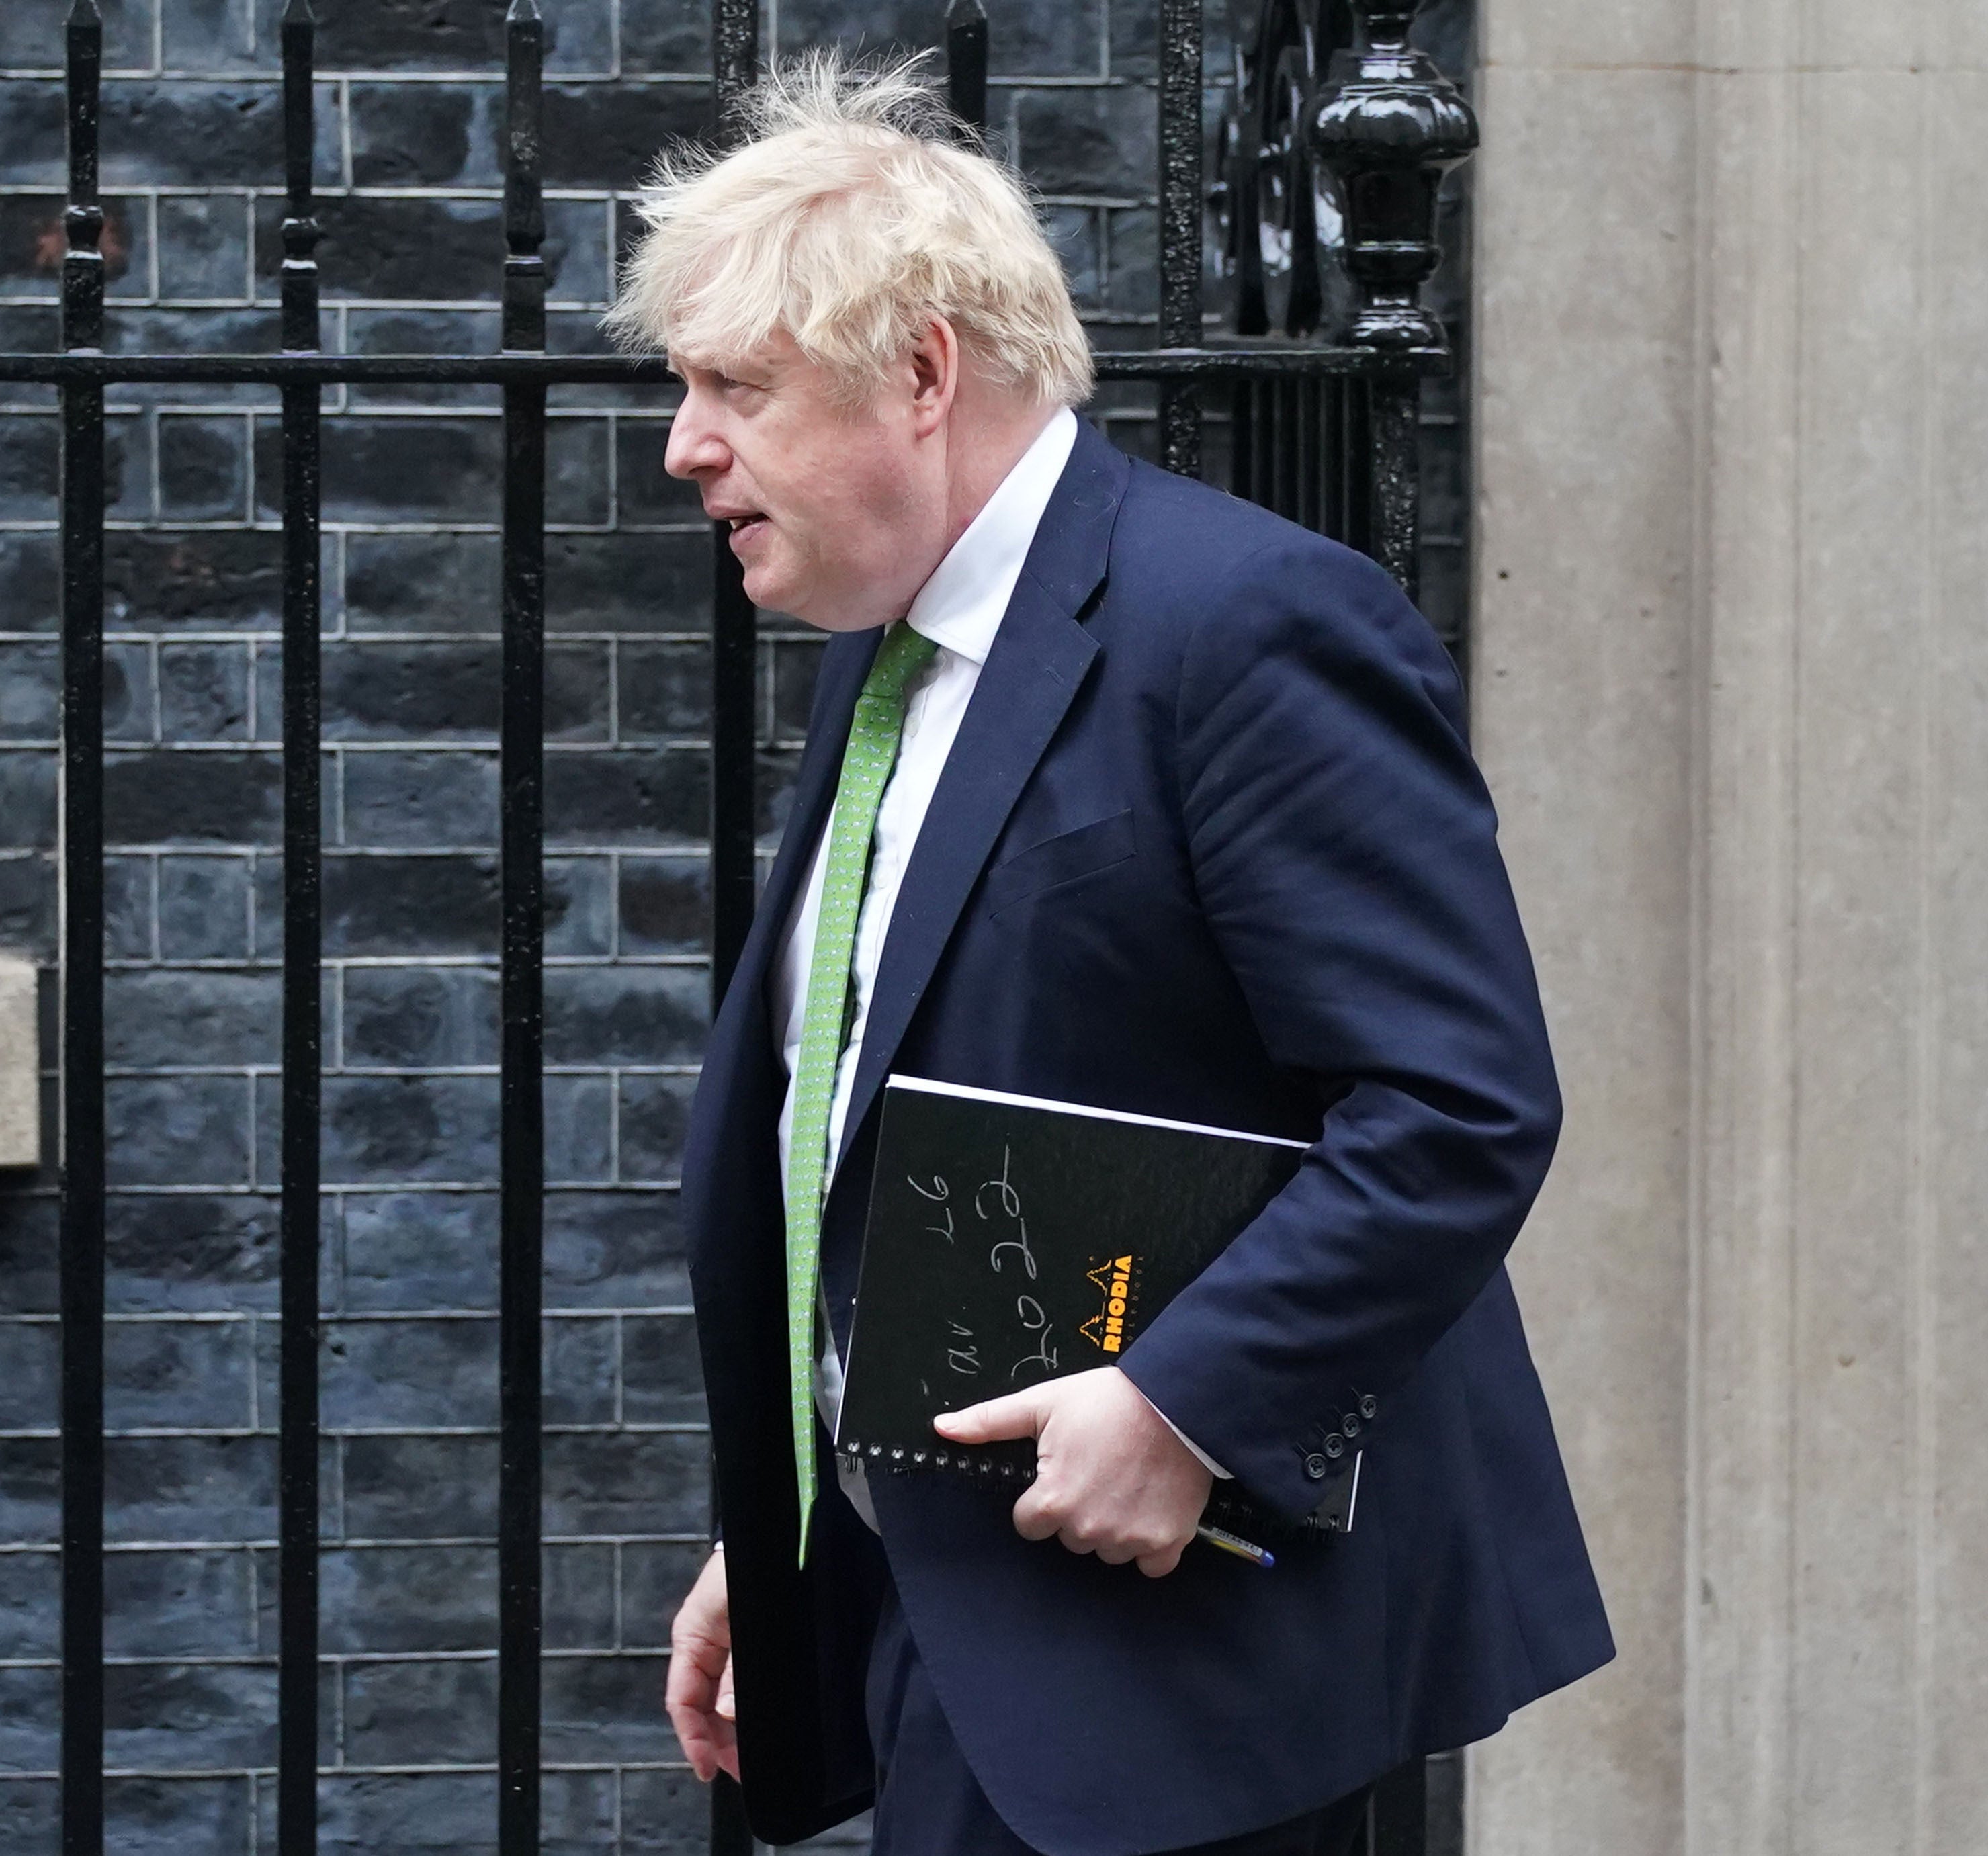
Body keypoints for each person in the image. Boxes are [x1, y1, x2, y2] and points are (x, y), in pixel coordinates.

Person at [605, 57, 1613, 1856]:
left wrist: (1186, 1398)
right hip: (962, 1588)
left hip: (1183, 1646)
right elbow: (881, 1121)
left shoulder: (1242, 625)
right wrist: (802, 1523)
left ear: (922, 373)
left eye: (735, 388)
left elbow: (1458, 1105)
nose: (685, 444)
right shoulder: (894, 650)